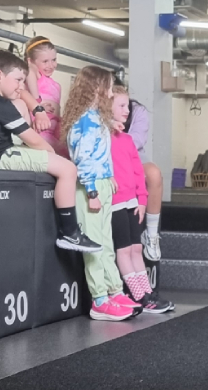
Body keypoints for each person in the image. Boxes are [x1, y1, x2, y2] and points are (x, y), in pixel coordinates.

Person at [0, 50, 101, 254]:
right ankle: (70, 232)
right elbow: (37, 143)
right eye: (18, 80)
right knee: (68, 169)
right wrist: (52, 159)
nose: (20, 86)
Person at [61, 65, 141, 322]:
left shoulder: (97, 118)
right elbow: (84, 159)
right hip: (90, 187)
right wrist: (93, 190)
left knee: (106, 243)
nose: (110, 90)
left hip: (103, 183)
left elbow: (100, 154)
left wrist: (109, 178)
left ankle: (114, 291)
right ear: (96, 88)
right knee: (94, 246)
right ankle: (99, 300)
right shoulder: (85, 121)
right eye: (107, 85)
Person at [110, 86, 174, 313]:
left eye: (127, 106)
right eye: (121, 106)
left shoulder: (127, 140)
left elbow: (138, 171)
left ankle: (146, 294)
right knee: (124, 251)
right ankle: (139, 296)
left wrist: (142, 201)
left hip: (131, 204)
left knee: (136, 248)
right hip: (115, 203)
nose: (127, 111)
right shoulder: (102, 138)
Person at [114, 76, 163, 261]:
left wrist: (115, 138)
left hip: (132, 155)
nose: (125, 110)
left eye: (126, 104)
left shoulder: (138, 111)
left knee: (154, 174)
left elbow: (137, 140)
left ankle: (151, 235)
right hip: (108, 156)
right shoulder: (96, 113)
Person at [24, 36, 67, 156]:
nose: (51, 65)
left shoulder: (56, 85)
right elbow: (28, 70)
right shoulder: (33, 76)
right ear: (31, 61)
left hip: (56, 131)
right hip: (41, 131)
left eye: (54, 60)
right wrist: (37, 103)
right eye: (45, 61)